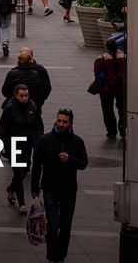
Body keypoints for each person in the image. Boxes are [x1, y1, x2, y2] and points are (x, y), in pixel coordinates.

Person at [30, 108, 89, 263]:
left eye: (64, 121)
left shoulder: (77, 142)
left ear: (71, 123)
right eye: (59, 121)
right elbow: (37, 165)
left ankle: (61, 256)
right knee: (53, 224)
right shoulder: (46, 140)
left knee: (66, 226)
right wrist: (35, 189)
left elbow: (83, 163)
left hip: (69, 190)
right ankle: (52, 257)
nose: (61, 124)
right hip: (50, 188)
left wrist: (70, 160)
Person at [0, 85, 43, 215]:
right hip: (13, 144)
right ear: (16, 95)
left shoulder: (33, 108)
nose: (24, 98)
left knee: (24, 172)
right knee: (18, 173)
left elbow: (38, 125)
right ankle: (22, 203)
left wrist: (40, 140)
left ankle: (11, 189)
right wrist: (0, 146)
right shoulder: (9, 108)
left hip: (26, 144)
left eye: (26, 95)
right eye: (22, 95)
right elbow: (2, 128)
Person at [92, 40, 126, 139]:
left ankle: (111, 131)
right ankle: (122, 125)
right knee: (123, 109)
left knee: (108, 110)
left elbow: (97, 73)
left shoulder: (101, 58)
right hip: (121, 88)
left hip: (106, 89)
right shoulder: (124, 57)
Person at [1, 47, 52, 112]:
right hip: (33, 106)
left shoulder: (12, 73)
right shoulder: (37, 73)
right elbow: (46, 87)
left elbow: (5, 91)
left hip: (15, 106)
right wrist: (40, 101)